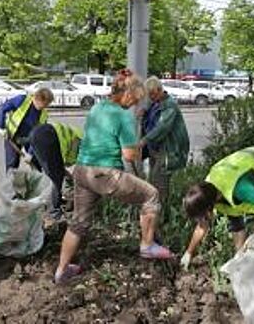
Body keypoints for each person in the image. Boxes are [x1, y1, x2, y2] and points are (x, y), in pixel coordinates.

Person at [54, 69, 174, 284]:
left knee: (79, 223)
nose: (134, 104)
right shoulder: (123, 115)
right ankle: (147, 245)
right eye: (135, 100)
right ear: (127, 94)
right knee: (151, 195)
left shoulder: (97, 107)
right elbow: (129, 154)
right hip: (104, 173)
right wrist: (136, 144)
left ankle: (61, 271)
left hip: (82, 171)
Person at [180, 147, 254, 270]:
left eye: (202, 215)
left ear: (209, 208)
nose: (202, 219)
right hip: (244, 170)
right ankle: (241, 261)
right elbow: (203, 225)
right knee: (234, 220)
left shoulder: (240, 189)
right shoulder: (207, 191)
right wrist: (189, 252)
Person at [139, 76, 189, 202]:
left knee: (158, 183)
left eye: (152, 94)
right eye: (149, 95)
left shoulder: (169, 106)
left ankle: (160, 212)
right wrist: (144, 112)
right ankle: (156, 210)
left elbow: (162, 127)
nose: (151, 97)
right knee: (153, 181)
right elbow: (150, 120)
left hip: (167, 150)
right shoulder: (155, 103)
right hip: (155, 149)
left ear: (160, 89)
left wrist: (144, 140)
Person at [28, 122, 82, 220]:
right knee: (57, 179)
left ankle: (40, 205)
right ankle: (54, 212)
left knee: (55, 176)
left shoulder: (80, 137)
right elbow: (72, 165)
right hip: (49, 137)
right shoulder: (83, 143)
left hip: (39, 133)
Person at [0, 88, 54, 171]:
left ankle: (36, 182)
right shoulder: (22, 100)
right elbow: (3, 109)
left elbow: (38, 136)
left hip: (29, 140)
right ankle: (11, 182)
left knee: (36, 162)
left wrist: (30, 154)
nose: (46, 107)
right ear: (38, 100)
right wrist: (1, 127)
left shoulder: (43, 114)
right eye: (45, 104)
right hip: (12, 136)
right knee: (12, 164)